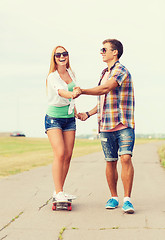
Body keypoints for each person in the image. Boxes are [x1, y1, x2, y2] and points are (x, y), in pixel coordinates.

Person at [73, 39, 135, 213]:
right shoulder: (103, 72)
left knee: (125, 158)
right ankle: (114, 197)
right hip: (106, 125)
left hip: (122, 123)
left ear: (115, 52)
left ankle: (127, 200)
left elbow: (105, 89)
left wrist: (82, 90)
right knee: (110, 161)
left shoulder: (120, 70)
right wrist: (88, 113)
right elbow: (103, 100)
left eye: (104, 49)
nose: (101, 52)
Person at [45, 45, 78, 202]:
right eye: (58, 55)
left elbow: (70, 97)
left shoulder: (71, 73)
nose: (62, 56)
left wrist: (76, 111)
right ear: (54, 58)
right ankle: (58, 192)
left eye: (64, 54)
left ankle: (60, 191)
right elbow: (61, 92)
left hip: (69, 118)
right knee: (60, 153)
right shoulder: (52, 76)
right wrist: (72, 93)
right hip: (54, 118)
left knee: (68, 155)